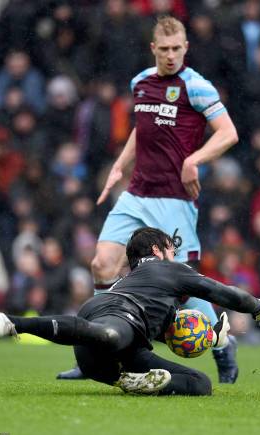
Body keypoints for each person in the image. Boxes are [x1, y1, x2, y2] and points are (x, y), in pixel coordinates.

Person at [57, 16, 240, 382]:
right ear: (153, 48)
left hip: (174, 200)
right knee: (102, 265)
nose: (171, 56)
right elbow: (142, 132)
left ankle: (222, 343)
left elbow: (229, 134)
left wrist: (194, 159)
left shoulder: (197, 87)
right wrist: (119, 167)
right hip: (136, 192)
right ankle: (97, 350)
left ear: (186, 48)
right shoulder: (140, 82)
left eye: (178, 49)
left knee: (183, 289)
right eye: (165, 49)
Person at [0, 227, 260, 396]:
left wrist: (211, 337)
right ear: (156, 250)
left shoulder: (137, 280)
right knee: (111, 336)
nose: (175, 256)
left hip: (105, 363)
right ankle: (12, 323)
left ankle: (137, 383)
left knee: (200, 384)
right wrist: (257, 306)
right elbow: (222, 292)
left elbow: (163, 330)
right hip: (116, 318)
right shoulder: (170, 269)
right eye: (171, 249)